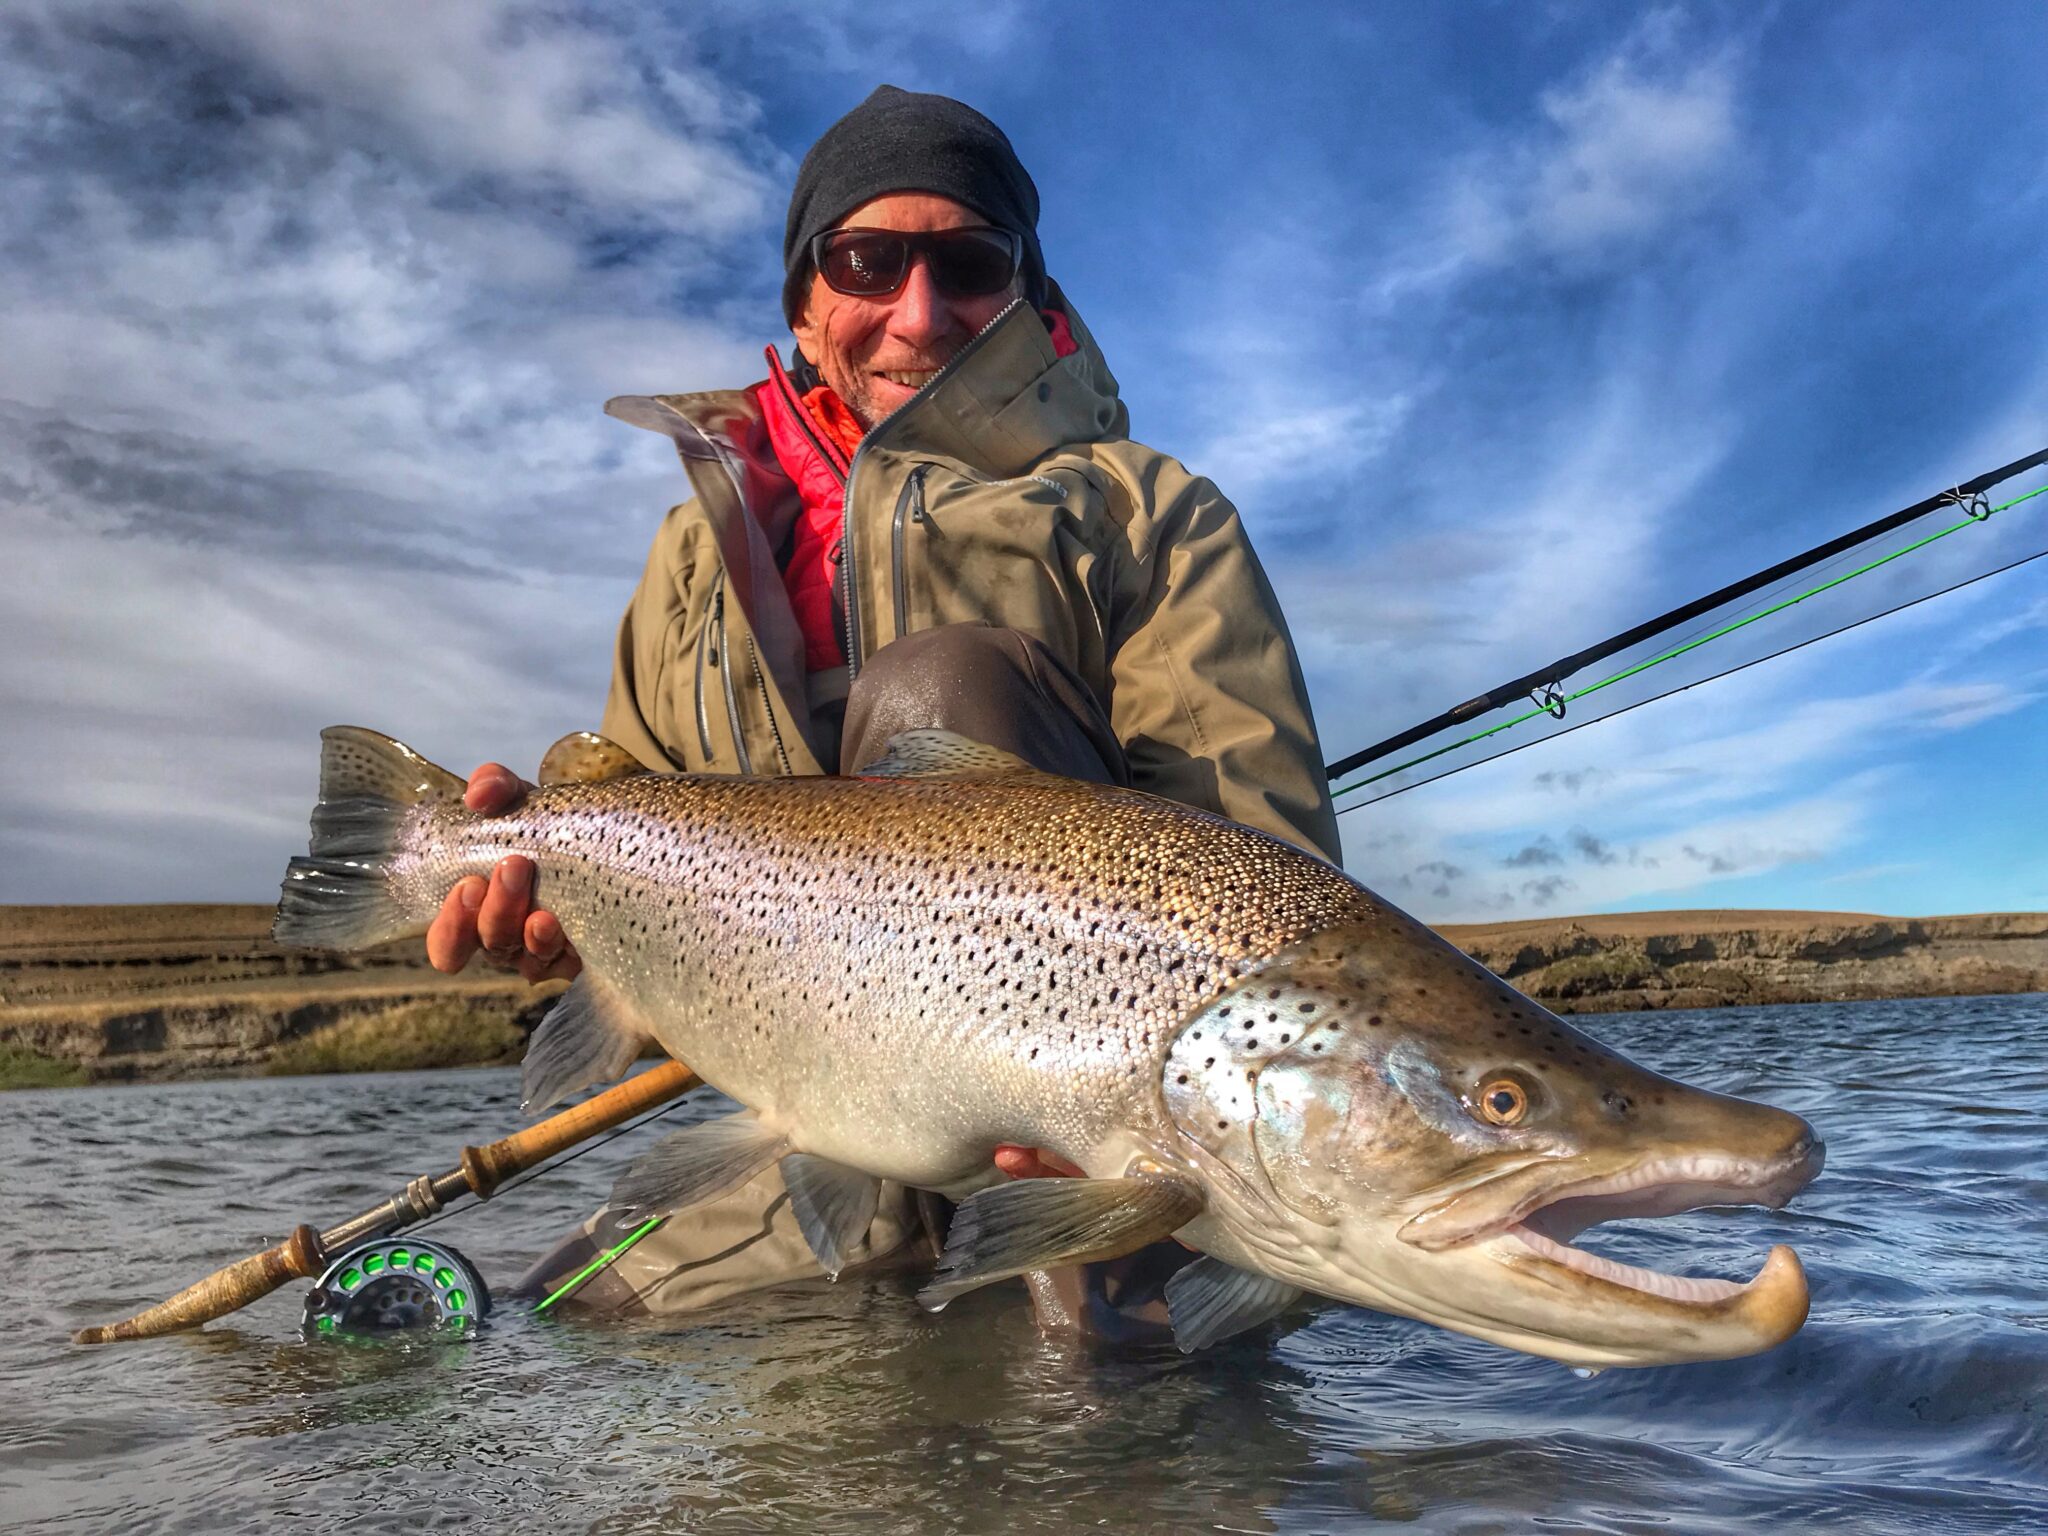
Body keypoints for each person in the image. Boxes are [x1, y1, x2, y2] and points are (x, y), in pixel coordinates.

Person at [424, 86, 1341, 1332]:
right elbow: (629, 809)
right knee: (541, 1329)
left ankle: (1105, 1362)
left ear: (1024, 294)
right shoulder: (690, 559)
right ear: (804, 305)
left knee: (942, 692)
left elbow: (1275, 907)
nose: (919, 310)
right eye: (867, 261)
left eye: (967, 262)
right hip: (800, 1143)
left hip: (1099, 1157)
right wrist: (553, 915)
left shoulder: (1143, 513)